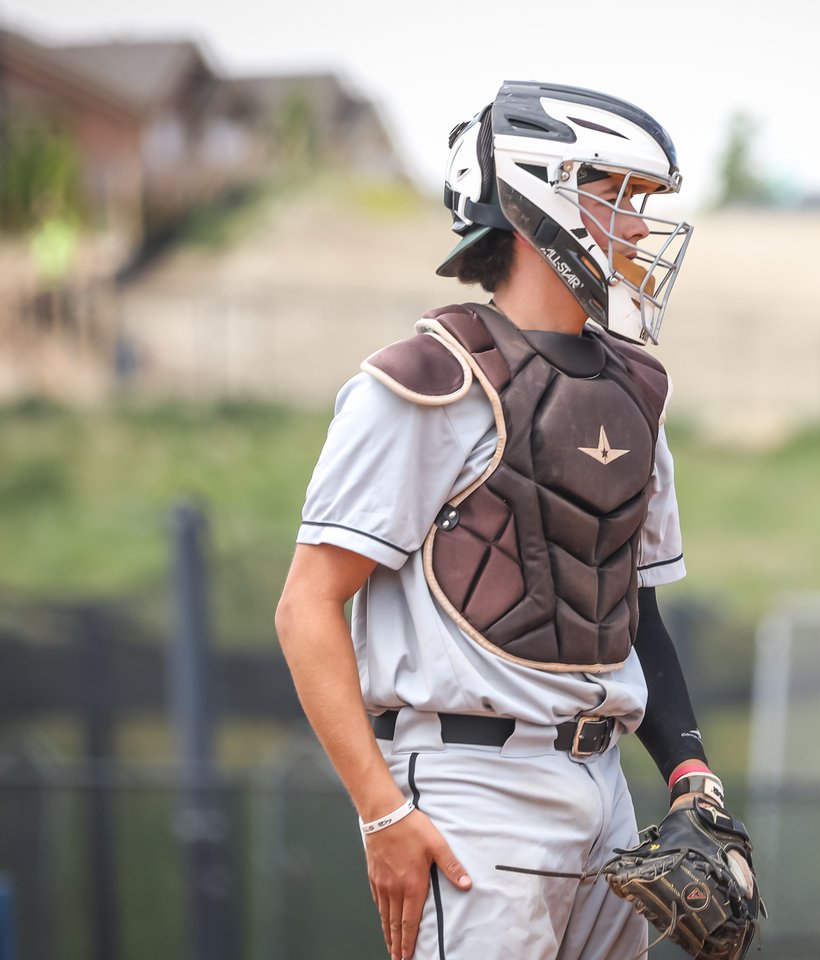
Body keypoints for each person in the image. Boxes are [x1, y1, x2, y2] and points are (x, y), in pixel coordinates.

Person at [275, 81, 727, 960]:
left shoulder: (633, 392)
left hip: (604, 790)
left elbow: (637, 613)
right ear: (536, 200)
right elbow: (306, 607)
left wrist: (690, 773)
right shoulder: (422, 382)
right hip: (473, 789)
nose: (640, 228)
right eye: (618, 197)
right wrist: (382, 812)